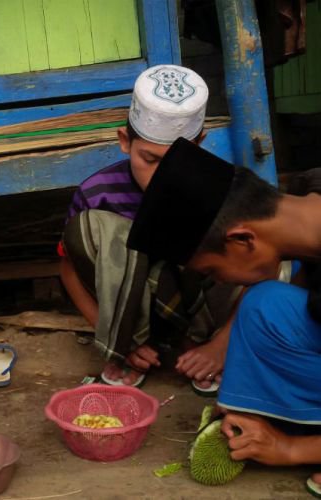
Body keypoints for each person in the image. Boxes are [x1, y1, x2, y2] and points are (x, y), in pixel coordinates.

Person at [127, 138, 321, 495]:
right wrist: (247, 391)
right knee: (265, 303)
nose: (222, 282)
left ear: (243, 239)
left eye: (213, 271)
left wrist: (291, 449)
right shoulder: (309, 198)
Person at [59, 64, 237, 392]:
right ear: (125, 141)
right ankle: (132, 344)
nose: (162, 178)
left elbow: (258, 272)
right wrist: (113, 336)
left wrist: (219, 346)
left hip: (194, 305)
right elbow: (68, 268)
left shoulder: (221, 187)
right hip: (130, 313)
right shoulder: (97, 194)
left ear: (199, 144)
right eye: (150, 160)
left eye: (178, 161)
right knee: (86, 229)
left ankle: (199, 343)